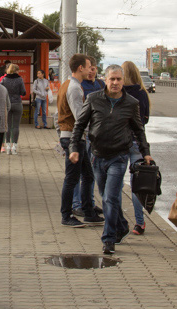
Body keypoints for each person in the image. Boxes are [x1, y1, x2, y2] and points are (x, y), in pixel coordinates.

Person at [70, 64, 153, 255]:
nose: (115, 83)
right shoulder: (93, 99)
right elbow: (79, 125)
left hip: (119, 156)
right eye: (112, 79)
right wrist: (74, 148)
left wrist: (145, 152)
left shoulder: (131, 103)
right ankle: (122, 225)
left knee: (110, 197)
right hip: (98, 156)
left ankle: (108, 239)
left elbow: (139, 130)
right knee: (107, 198)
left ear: (123, 81)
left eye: (119, 79)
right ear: (105, 80)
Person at [57, 54, 104, 229]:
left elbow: (60, 115)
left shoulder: (68, 84)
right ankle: (66, 215)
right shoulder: (75, 88)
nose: (90, 69)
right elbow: (80, 118)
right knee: (72, 178)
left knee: (87, 175)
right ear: (80, 68)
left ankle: (89, 211)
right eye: (88, 66)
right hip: (74, 138)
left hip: (71, 136)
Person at [121, 61, 151, 235]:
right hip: (138, 142)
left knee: (116, 183)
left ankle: (118, 220)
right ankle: (139, 223)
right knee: (136, 184)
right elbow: (145, 118)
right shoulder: (142, 93)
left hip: (120, 142)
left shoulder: (119, 92)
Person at [73, 56, 103, 216]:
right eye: (89, 68)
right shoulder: (79, 86)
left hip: (96, 134)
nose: (91, 71)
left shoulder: (100, 85)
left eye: (93, 68)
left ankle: (89, 202)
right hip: (83, 133)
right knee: (79, 172)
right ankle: (77, 203)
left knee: (90, 172)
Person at [0, 63, 26, 154]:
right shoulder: (19, 79)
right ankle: (14, 147)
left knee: (7, 126)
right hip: (17, 103)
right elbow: (23, 92)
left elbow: (0, 90)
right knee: (15, 126)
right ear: (16, 70)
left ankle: (7, 147)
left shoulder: (4, 79)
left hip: (7, 104)